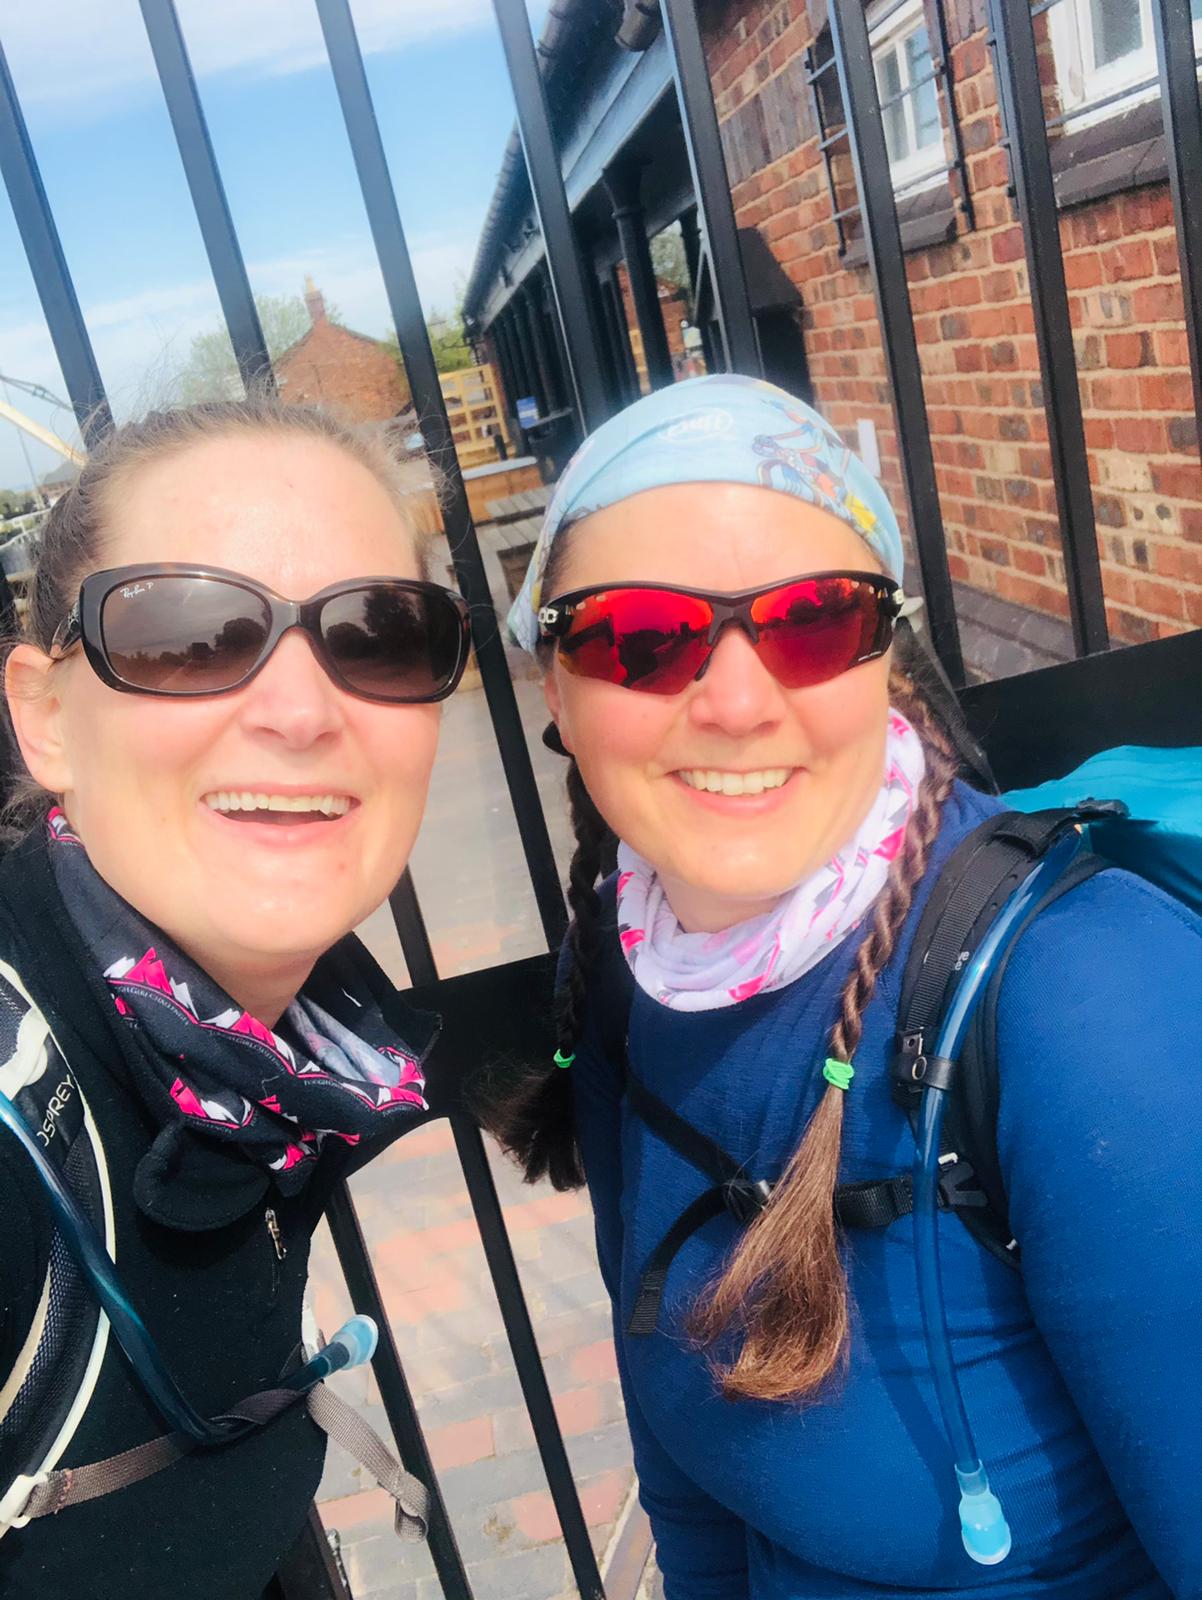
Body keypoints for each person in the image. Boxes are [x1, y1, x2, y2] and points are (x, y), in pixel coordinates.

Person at [491, 375, 1202, 1598]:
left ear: (887, 658)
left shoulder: (1081, 999)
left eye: (812, 620)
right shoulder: (619, 962)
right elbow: (678, 1456)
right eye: (634, 635)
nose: (734, 702)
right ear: (553, 690)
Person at [0, 397, 470, 1599]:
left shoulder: (261, 1063)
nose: (301, 710)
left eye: (376, 632)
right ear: (46, 715)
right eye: (191, 635)